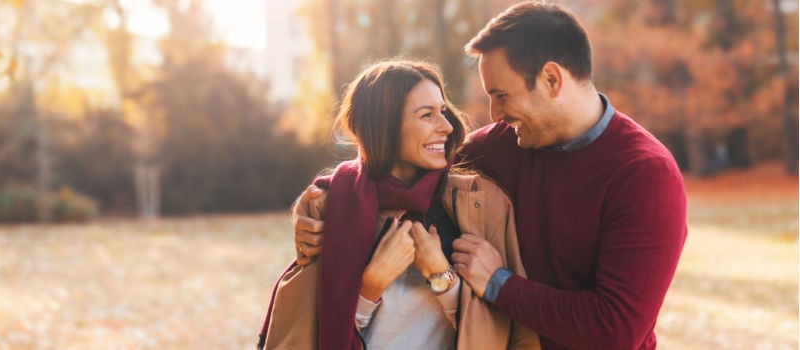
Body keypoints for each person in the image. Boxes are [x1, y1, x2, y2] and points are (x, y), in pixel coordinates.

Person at [290, 2, 687, 349]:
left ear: (552, 79)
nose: (494, 114)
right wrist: (322, 199)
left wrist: (498, 282)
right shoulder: (502, 145)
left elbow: (614, 331)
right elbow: (402, 165)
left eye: (501, 95)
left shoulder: (645, 175)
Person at [258, 60, 539, 350]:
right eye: (426, 115)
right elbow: (316, 332)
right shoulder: (333, 207)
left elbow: (511, 331)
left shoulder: (481, 203)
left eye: (442, 111)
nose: (446, 126)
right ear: (385, 127)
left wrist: (441, 276)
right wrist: (370, 287)